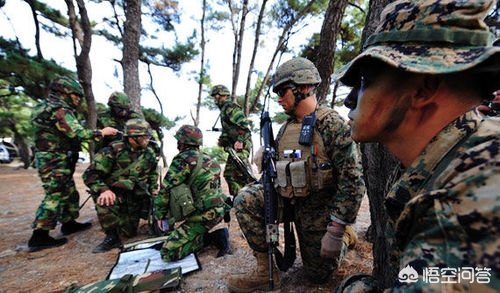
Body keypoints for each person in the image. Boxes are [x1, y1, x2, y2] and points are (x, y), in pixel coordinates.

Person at [333, 0, 500, 291]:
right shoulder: (452, 162)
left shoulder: (460, 208)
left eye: (364, 80)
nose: (349, 100)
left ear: (423, 89)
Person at [227, 57, 366, 292]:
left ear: (302, 87)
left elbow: (352, 181)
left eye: (283, 91)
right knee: (246, 199)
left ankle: (346, 237)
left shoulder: (332, 125)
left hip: (320, 209)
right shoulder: (286, 128)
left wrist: (336, 229)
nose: (279, 98)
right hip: (288, 200)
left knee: (318, 276)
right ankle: (266, 270)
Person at [28, 76, 117, 252]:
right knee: (55, 194)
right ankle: (39, 236)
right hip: (54, 158)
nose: (78, 100)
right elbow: (78, 134)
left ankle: (69, 223)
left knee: (68, 191)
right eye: (76, 96)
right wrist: (102, 132)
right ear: (65, 92)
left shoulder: (42, 106)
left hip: (54, 157)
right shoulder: (59, 109)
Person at [154, 125, 230, 261]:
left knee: (167, 253)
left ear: (182, 142)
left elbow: (166, 189)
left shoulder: (183, 160)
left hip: (203, 216)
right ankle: (193, 235)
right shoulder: (210, 159)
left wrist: (160, 215)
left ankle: (214, 238)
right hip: (219, 211)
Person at [83, 118, 159, 253]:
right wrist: (104, 190)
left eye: (148, 136)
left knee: (129, 233)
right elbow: (90, 174)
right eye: (144, 136)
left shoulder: (149, 153)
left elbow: (152, 173)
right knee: (105, 200)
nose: (148, 139)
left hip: (134, 197)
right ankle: (111, 237)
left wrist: (154, 189)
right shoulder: (113, 150)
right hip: (115, 194)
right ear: (132, 138)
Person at [211, 84, 254, 197]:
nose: (214, 98)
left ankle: (249, 197)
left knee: (241, 174)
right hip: (235, 146)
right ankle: (241, 198)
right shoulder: (224, 109)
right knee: (231, 174)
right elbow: (229, 129)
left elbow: (243, 124)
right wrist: (223, 139)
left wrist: (240, 140)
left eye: (216, 95)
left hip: (241, 144)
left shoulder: (230, 107)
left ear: (223, 96)